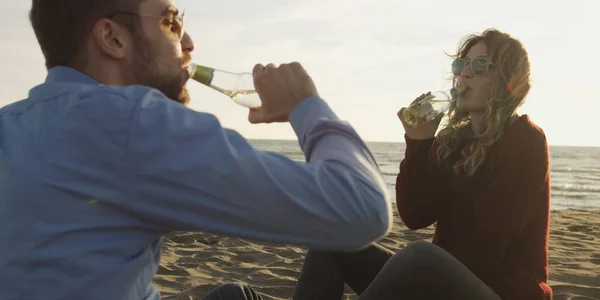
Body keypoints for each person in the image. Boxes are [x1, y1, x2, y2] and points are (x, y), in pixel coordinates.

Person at [0, 0, 393, 299]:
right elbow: (361, 209)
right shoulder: (132, 121)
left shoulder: (10, 124)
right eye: (171, 23)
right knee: (424, 267)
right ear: (112, 39)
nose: (188, 42)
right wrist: (307, 106)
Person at [291, 28, 552, 300]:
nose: (464, 74)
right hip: (441, 281)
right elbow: (415, 215)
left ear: (508, 79)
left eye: (479, 65)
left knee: (421, 256)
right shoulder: (454, 140)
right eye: (461, 64)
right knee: (335, 241)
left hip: (501, 292)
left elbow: (489, 244)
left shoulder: (525, 139)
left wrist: (418, 280)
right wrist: (419, 143)